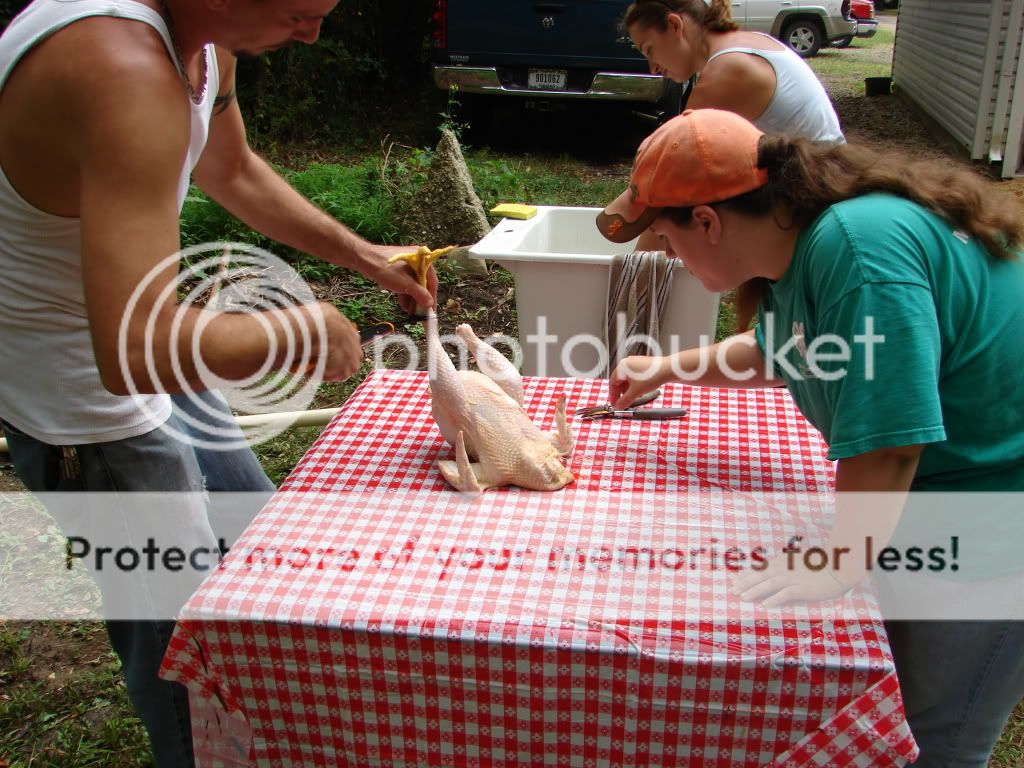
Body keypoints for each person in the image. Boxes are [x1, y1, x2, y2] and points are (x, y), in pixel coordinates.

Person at [0, 0, 435, 765]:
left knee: (255, 564)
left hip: (168, 344)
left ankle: (270, 737)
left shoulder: (204, 37)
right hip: (89, 407)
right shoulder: (120, 68)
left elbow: (229, 168)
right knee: (184, 652)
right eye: (302, 10)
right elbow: (131, 351)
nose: (314, 32)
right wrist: (294, 332)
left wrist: (362, 254)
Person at [596, 108, 1024, 766]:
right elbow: (785, 350)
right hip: (941, 503)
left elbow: (889, 442)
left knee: (932, 736)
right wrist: (664, 369)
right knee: (886, 699)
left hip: (994, 520)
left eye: (665, 241)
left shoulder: (857, 247)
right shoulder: (806, 248)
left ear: (707, 222)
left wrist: (837, 561)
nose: (667, 257)